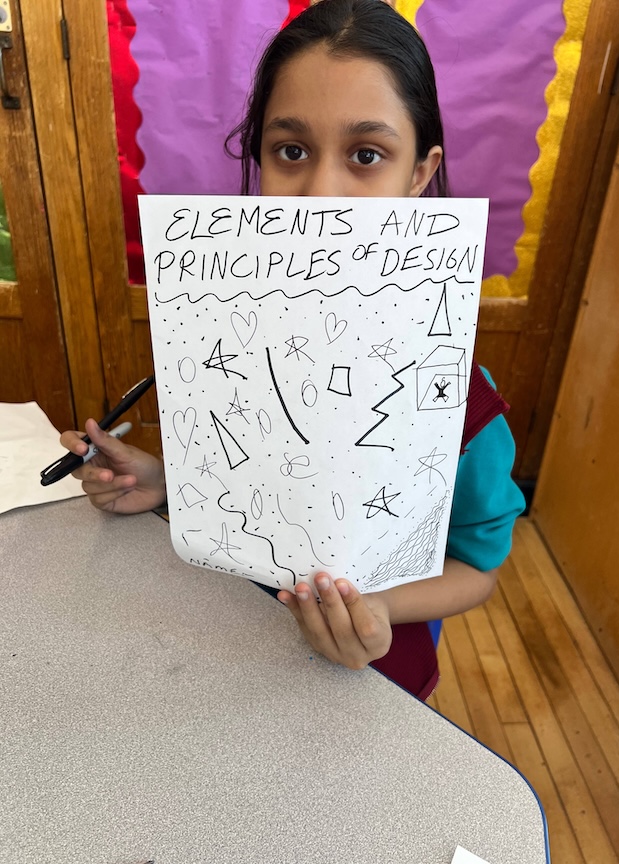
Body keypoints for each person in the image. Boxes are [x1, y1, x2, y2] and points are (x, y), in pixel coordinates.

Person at [60, 0, 525, 699]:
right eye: (292, 151)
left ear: (419, 174)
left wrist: (379, 607)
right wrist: (163, 485)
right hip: (225, 650)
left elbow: (477, 568)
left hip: (368, 677)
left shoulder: (463, 397)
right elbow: (249, 487)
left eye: (366, 155)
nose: (321, 196)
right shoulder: (230, 346)